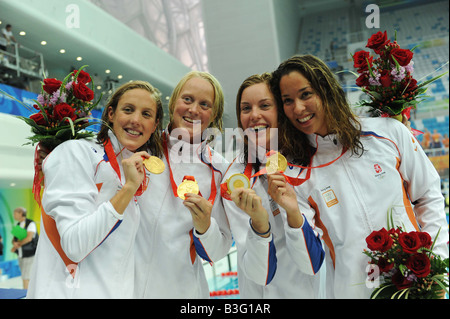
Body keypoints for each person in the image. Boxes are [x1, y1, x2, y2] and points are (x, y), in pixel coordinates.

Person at [269, 54, 449, 299]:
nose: (298, 108)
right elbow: (308, 263)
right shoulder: (297, 174)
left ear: (326, 89)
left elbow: (427, 196)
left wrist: (437, 268)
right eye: (287, 100)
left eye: (305, 94)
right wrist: (292, 214)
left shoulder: (388, 133)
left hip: (416, 288)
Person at [26, 80, 164, 298]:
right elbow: (74, 245)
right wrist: (127, 189)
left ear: (155, 126)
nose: (136, 120)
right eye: (128, 110)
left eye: (146, 114)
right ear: (110, 113)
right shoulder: (76, 152)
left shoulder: (134, 170)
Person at [222, 73, 325, 298]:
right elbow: (260, 275)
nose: (254, 115)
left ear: (280, 111)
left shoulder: (308, 163)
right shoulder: (234, 179)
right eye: (246, 108)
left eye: (265, 105)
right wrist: (259, 224)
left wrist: (293, 212)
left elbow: (312, 264)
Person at [134, 71, 232, 298]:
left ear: (214, 114)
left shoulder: (220, 170)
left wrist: (205, 227)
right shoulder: (141, 147)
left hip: (182, 291)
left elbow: (217, 253)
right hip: (127, 286)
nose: (194, 109)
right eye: (187, 99)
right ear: (173, 101)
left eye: (205, 104)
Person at [11, 207, 38, 289]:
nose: (14, 215)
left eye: (15, 213)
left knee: (26, 277)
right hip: (21, 254)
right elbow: (14, 238)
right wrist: (14, 243)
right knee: (25, 275)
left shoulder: (30, 224)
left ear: (21, 214)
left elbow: (29, 238)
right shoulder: (18, 225)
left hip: (29, 254)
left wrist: (18, 244)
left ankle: (26, 294)